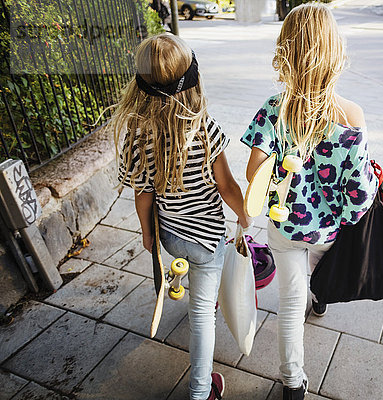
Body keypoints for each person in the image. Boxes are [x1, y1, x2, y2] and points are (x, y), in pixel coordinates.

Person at [241, 4, 378, 399]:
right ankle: (319, 299)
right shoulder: (352, 116)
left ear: (286, 51)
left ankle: (292, 382)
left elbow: (254, 176)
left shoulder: (274, 110)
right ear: (335, 52)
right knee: (314, 273)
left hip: (284, 229)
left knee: (289, 300)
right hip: (326, 231)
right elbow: (358, 197)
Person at [109, 33, 251, 400]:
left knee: (189, 281)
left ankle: (177, 279)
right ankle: (201, 391)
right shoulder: (204, 129)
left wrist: (147, 235)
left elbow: (142, 195)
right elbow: (228, 187)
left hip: (170, 238)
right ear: (193, 79)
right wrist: (245, 216)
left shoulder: (138, 136)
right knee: (202, 314)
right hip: (207, 239)